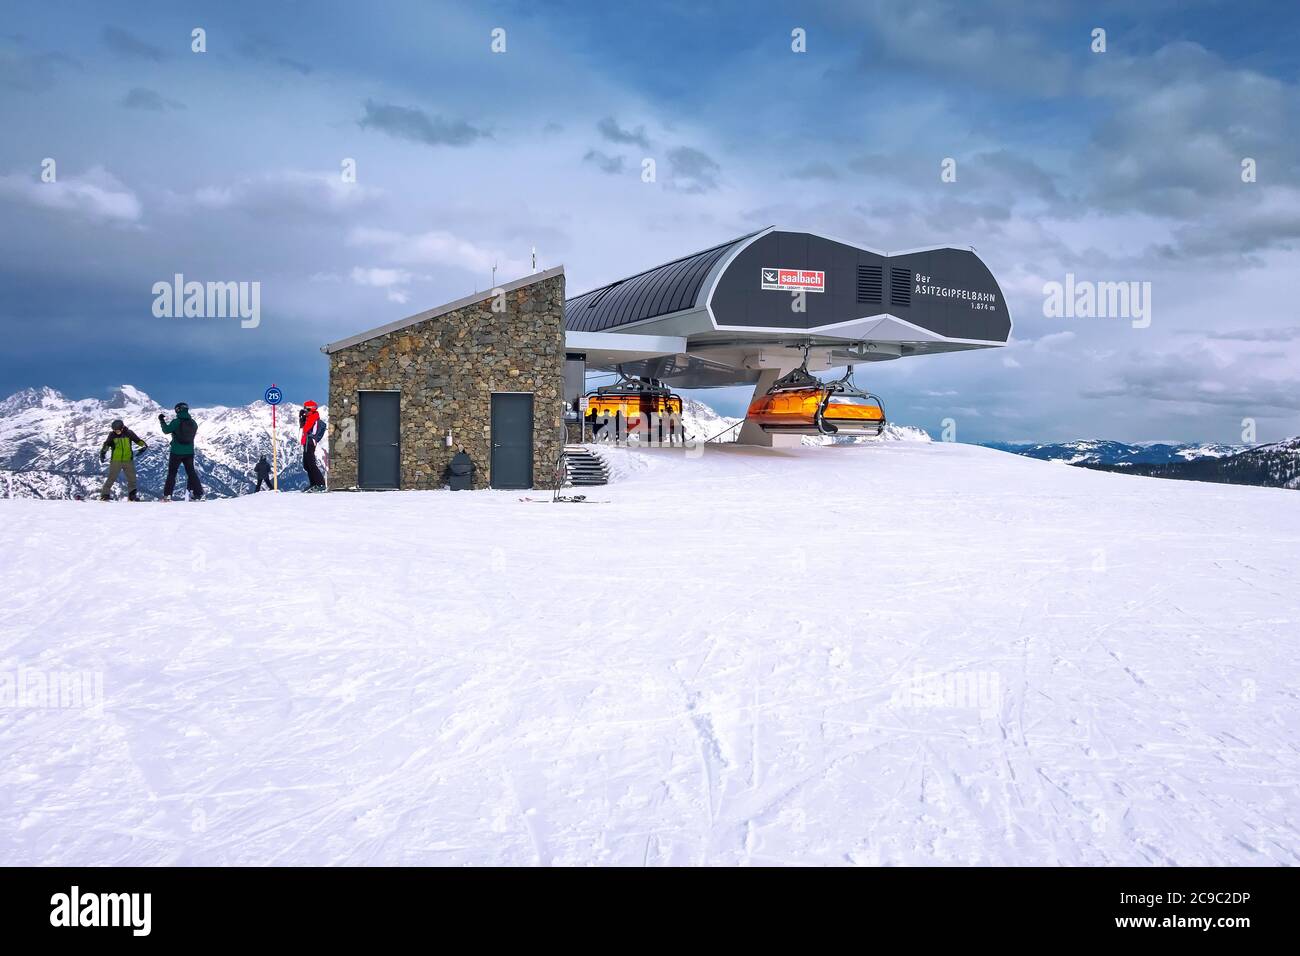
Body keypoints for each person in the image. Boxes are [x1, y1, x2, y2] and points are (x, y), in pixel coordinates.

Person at [159, 402, 204, 501]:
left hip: (176, 451)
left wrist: (161, 421)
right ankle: (198, 494)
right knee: (191, 472)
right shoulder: (194, 423)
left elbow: (166, 430)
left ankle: (167, 495)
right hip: (189, 452)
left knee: (172, 473)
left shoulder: (176, 422)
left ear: (178, 410)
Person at [98, 418, 148, 501]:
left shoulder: (129, 433)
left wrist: (144, 446)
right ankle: (105, 495)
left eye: (117, 430)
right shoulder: (112, 435)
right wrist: (103, 453)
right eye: (114, 430)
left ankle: (132, 496)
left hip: (128, 460)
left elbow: (138, 441)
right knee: (111, 477)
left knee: (132, 479)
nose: (116, 432)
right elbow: (107, 444)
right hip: (116, 460)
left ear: (122, 428)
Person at [299, 400, 326, 491]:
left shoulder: (313, 417)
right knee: (306, 465)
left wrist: (304, 417)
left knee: (311, 464)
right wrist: (302, 418)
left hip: (310, 442)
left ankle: (320, 484)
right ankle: (313, 484)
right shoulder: (310, 417)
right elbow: (302, 427)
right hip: (307, 442)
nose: (305, 411)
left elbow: (306, 429)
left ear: (311, 409)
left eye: (306, 409)